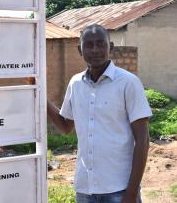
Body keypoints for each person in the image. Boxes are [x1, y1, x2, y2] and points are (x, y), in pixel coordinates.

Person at [47, 24, 152, 203]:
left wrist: (132, 192)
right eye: (88, 45)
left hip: (119, 189)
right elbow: (66, 127)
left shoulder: (128, 83)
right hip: (85, 189)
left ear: (110, 47)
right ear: (80, 50)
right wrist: (41, 96)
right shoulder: (76, 83)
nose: (95, 50)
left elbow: (143, 139)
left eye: (100, 44)